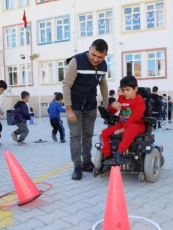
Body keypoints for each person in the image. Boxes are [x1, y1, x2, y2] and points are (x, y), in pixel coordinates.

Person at [63, 39, 109, 180]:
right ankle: (77, 166)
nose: (96, 59)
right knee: (75, 136)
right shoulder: (76, 61)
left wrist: (106, 104)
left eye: (100, 57)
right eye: (93, 54)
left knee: (88, 135)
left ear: (105, 55)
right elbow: (66, 86)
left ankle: (87, 163)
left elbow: (103, 85)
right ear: (89, 49)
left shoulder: (103, 65)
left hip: (90, 106)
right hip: (75, 106)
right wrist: (69, 109)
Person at [101, 76, 145, 163]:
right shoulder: (121, 98)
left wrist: (123, 129)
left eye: (128, 90)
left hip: (137, 124)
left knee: (130, 129)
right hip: (122, 123)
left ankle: (120, 152)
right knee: (104, 133)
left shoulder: (139, 100)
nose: (125, 93)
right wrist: (113, 105)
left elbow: (135, 118)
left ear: (135, 89)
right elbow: (112, 111)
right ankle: (107, 156)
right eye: (123, 90)